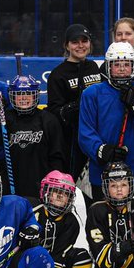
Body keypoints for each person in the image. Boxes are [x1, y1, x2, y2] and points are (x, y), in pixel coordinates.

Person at [78, 42, 134, 203]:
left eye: (126, 64)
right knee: (103, 214)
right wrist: (102, 150)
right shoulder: (91, 94)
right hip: (102, 169)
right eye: (117, 64)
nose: (122, 69)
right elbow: (85, 132)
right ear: (108, 67)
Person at [0, 74, 64, 203]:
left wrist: (53, 184)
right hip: (9, 187)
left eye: (28, 93)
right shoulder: (4, 119)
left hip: (40, 187)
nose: (23, 97)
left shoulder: (48, 120)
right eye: (19, 94)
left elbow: (57, 156)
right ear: (12, 96)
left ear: (35, 95)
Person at [32, 171, 95, 268]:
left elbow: (59, 256)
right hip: (32, 266)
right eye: (56, 192)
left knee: (83, 258)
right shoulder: (33, 213)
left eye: (65, 193)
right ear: (46, 192)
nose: (60, 196)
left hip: (57, 262)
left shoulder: (71, 222)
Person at [47, 23, 102, 180]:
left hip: (97, 135)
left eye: (84, 41)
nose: (80, 46)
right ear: (67, 46)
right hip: (72, 140)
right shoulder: (58, 74)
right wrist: (68, 111)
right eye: (75, 42)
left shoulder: (94, 67)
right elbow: (53, 111)